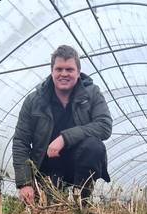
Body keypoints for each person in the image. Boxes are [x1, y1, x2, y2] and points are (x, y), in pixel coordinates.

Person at [12, 45, 112, 205]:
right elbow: (20, 141)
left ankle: (82, 203)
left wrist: (65, 138)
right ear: (52, 71)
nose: (64, 74)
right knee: (48, 212)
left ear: (78, 73)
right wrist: (25, 183)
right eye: (59, 69)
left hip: (77, 165)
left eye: (69, 69)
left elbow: (104, 126)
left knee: (94, 146)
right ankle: (49, 193)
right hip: (46, 167)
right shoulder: (34, 101)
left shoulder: (92, 94)